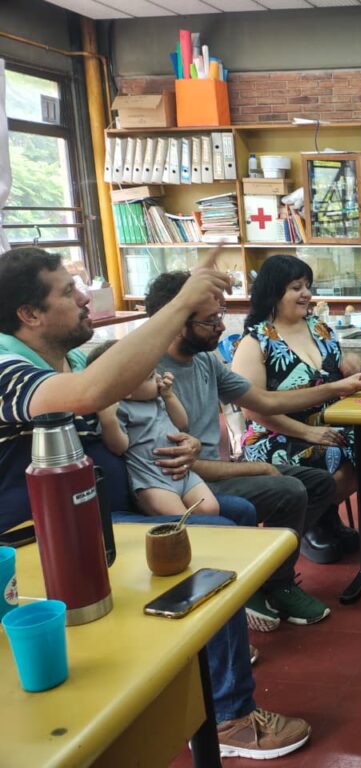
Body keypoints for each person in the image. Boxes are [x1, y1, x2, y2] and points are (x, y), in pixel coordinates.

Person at [0, 246, 311, 759]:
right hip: (47, 539)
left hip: (106, 509)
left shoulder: (73, 354)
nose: (85, 297)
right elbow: (88, 392)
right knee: (217, 550)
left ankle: (212, 648)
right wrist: (184, 300)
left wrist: (181, 445)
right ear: (29, 314)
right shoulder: (9, 370)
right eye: (67, 291)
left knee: (238, 512)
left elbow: (130, 407)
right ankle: (231, 718)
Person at [145, 271, 361, 630]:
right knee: (287, 484)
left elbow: (264, 400)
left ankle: (274, 582)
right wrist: (255, 469)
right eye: (211, 321)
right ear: (176, 324)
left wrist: (338, 387)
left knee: (316, 483)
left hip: (213, 471)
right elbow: (181, 467)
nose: (222, 327)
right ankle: (261, 584)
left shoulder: (206, 360)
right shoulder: (149, 377)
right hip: (186, 485)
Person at [231, 254, 361, 509]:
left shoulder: (319, 328)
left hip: (328, 425)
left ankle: (317, 516)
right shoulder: (255, 342)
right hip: (276, 433)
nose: (306, 294)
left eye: (307, 286)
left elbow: (332, 372)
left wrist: (352, 367)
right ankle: (311, 519)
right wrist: (308, 432)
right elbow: (252, 409)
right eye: (296, 288)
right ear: (274, 292)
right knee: (336, 455)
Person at [88, 341, 221, 519]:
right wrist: (108, 420)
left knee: (211, 509)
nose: (158, 378)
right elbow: (119, 447)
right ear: (124, 390)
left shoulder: (156, 399)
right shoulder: (119, 409)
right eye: (151, 377)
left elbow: (182, 424)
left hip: (182, 474)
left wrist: (169, 396)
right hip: (151, 480)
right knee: (181, 520)